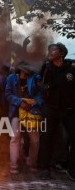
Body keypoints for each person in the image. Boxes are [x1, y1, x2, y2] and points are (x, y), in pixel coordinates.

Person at [38, 43, 75, 181]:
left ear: (61, 53)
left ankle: (72, 169)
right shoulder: (46, 68)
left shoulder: (71, 70)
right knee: (46, 138)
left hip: (69, 110)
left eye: (53, 49)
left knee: (73, 138)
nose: (50, 51)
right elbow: (40, 85)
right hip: (50, 109)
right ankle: (45, 168)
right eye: (49, 49)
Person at [5, 61, 41, 174]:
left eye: (29, 67)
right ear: (20, 68)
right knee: (15, 137)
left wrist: (32, 104)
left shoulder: (35, 78)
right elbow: (7, 94)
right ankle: (13, 164)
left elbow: (40, 95)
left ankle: (31, 162)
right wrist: (19, 102)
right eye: (25, 67)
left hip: (31, 112)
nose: (27, 69)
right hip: (16, 111)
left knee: (35, 140)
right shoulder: (11, 78)